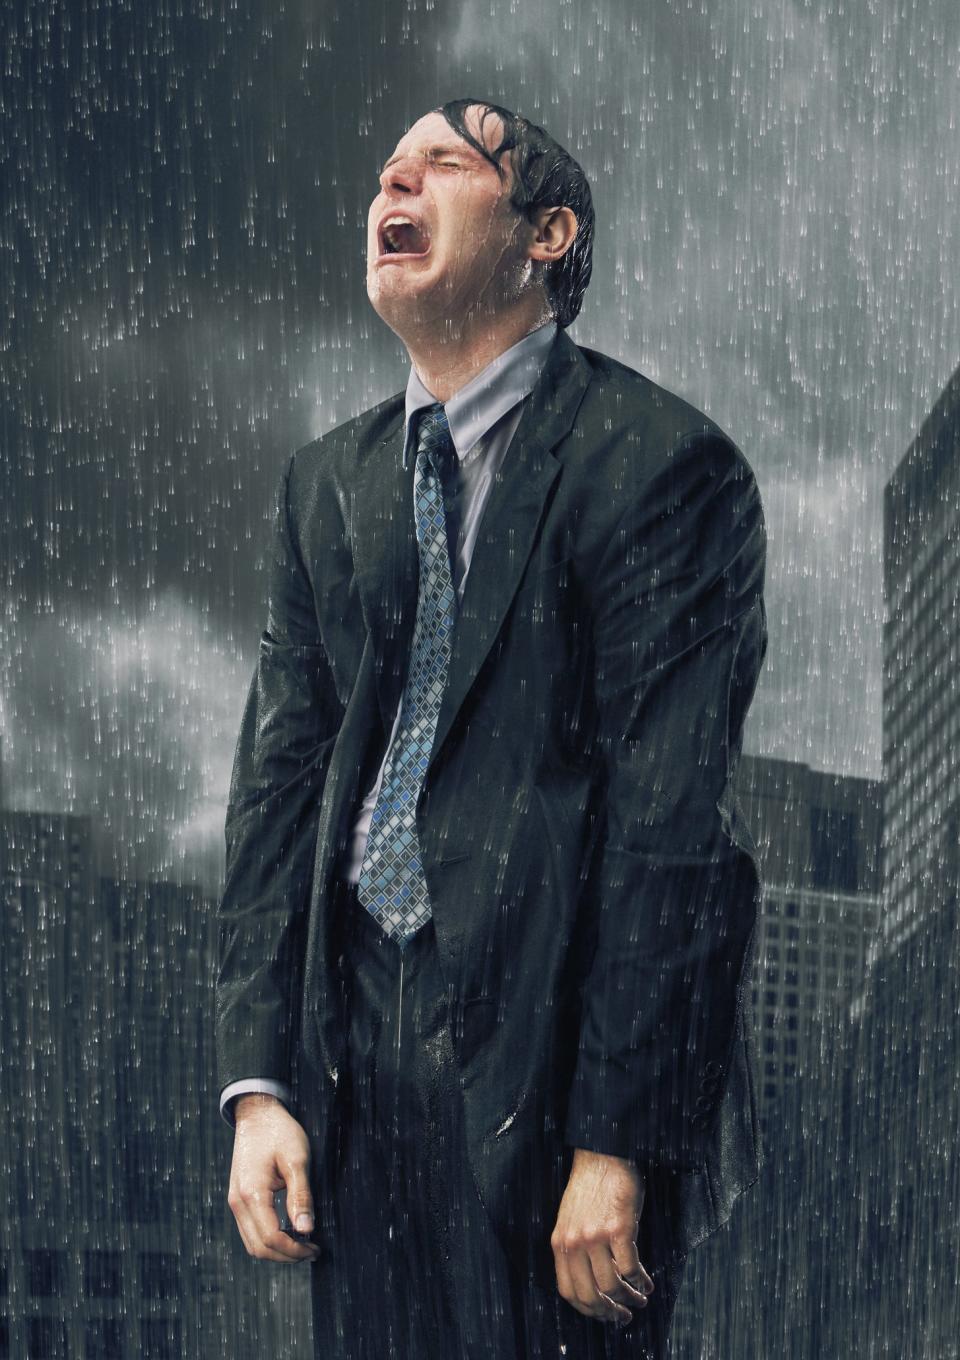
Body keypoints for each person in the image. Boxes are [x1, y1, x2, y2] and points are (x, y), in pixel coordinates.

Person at [215, 97, 769, 1359]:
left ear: (546, 233)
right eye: (384, 168)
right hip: (354, 1079)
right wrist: (261, 1085)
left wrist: (617, 1138)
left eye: (445, 163)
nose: (393, 180)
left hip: (552, 1074)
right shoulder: (326, 487)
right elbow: (277, 791)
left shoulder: (662, 465)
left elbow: (671, 822)